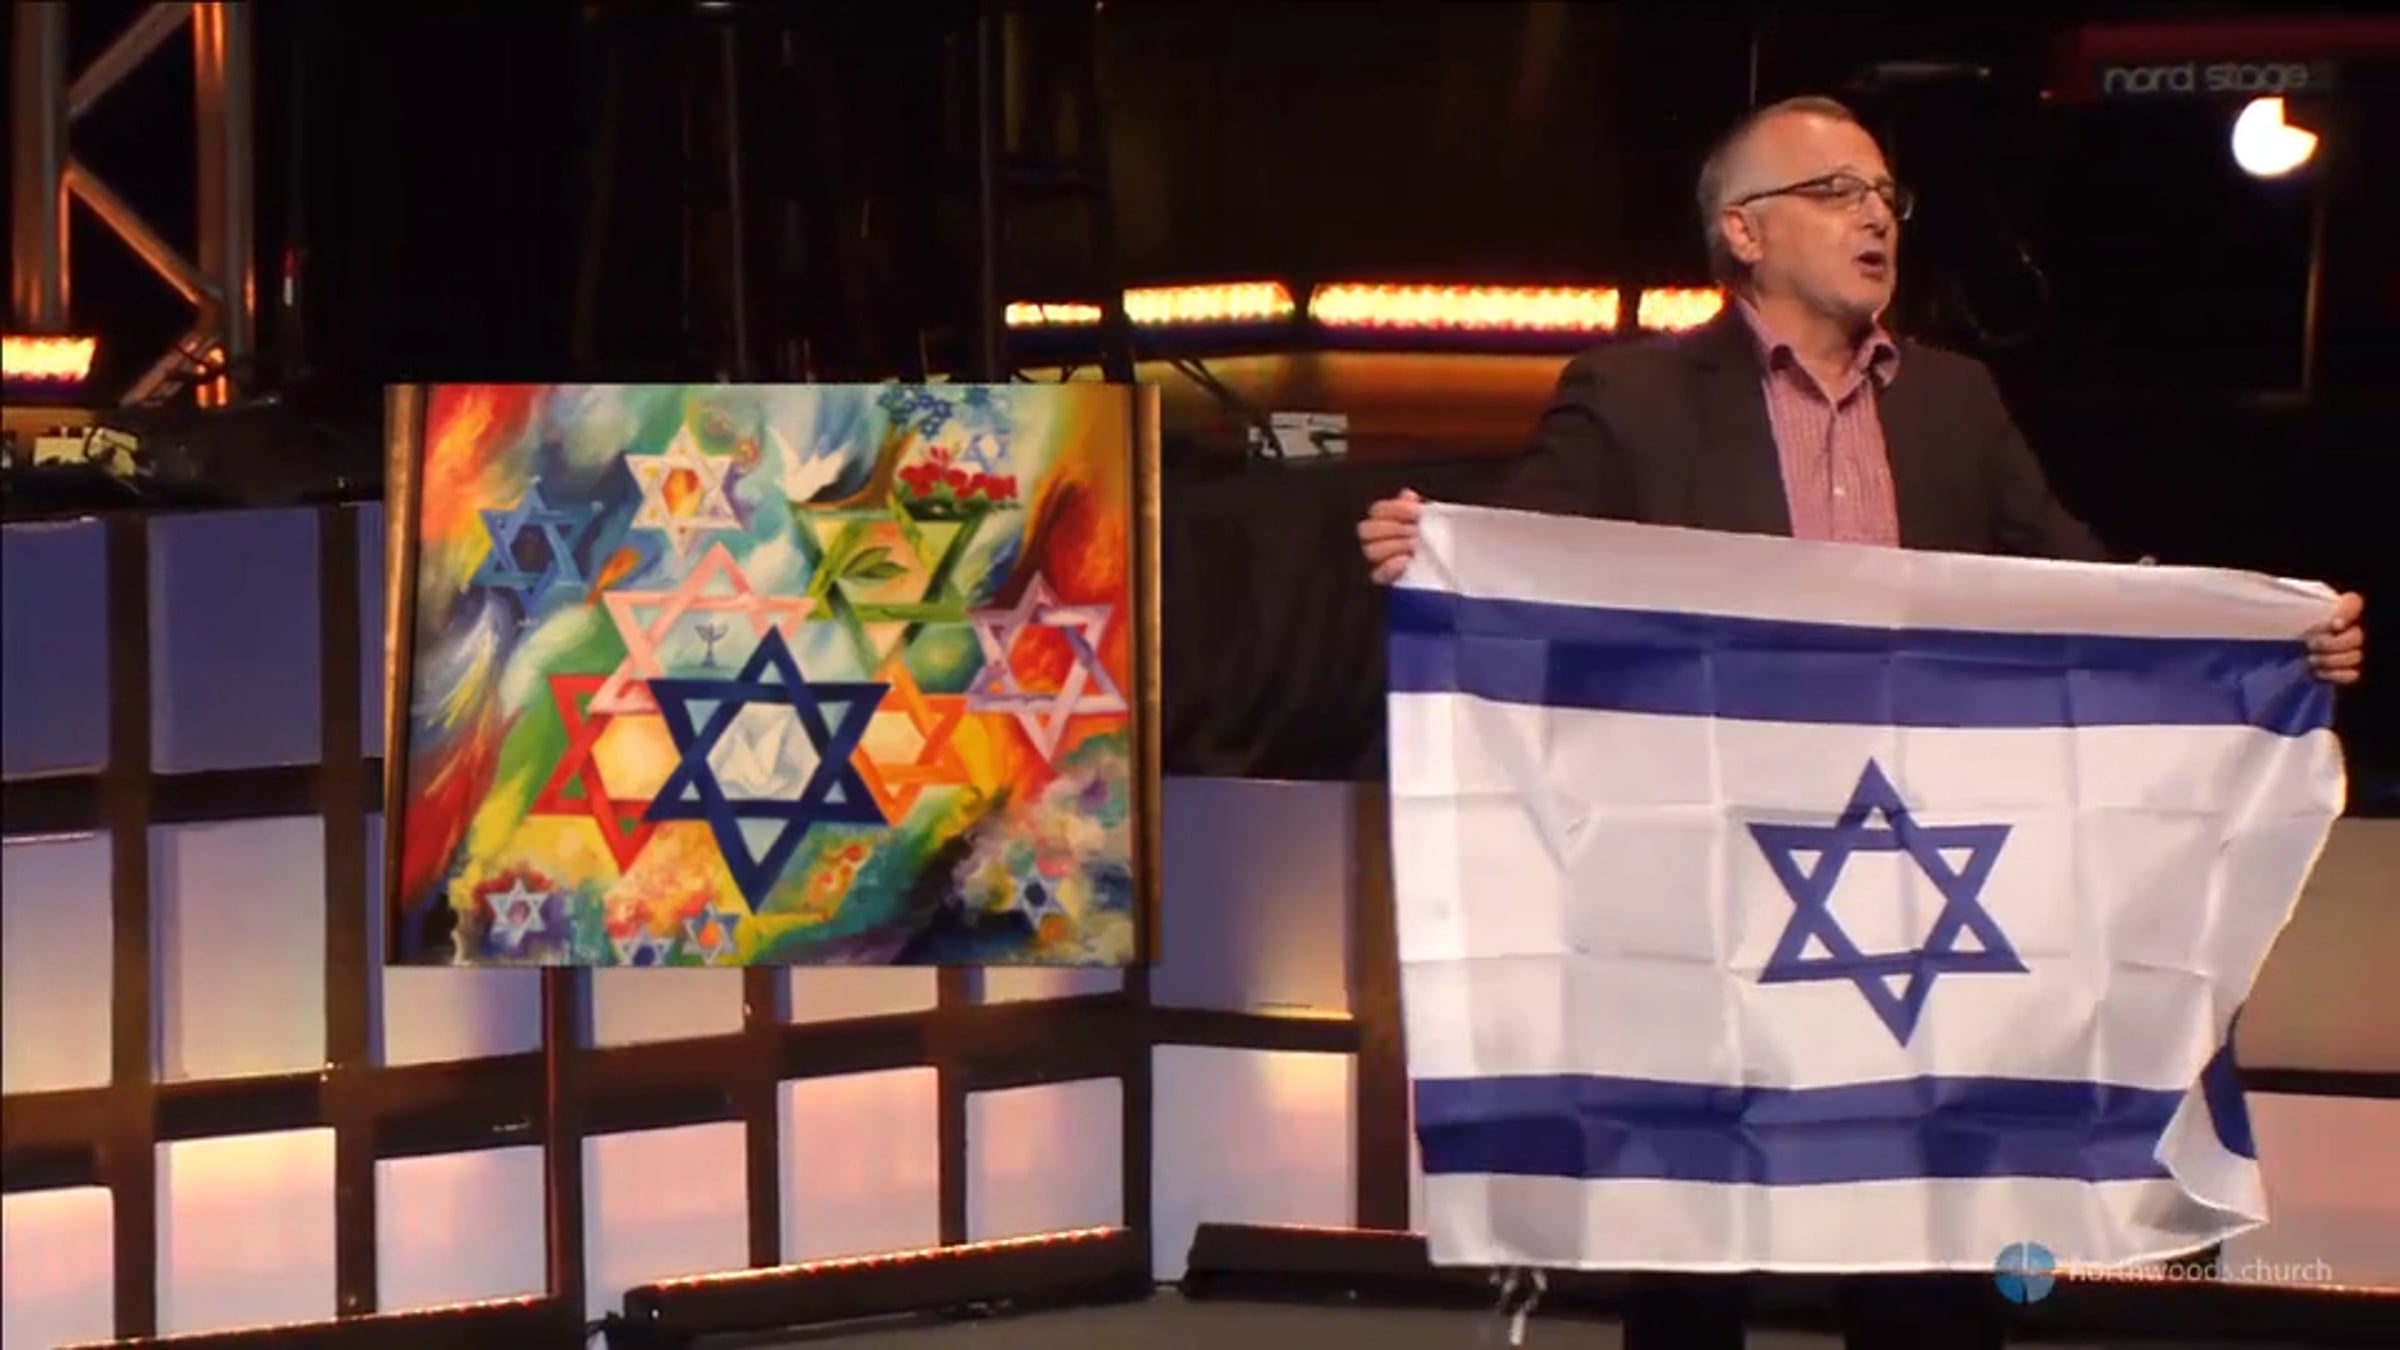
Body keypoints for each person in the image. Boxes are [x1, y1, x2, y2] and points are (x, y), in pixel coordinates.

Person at [1353, 95, 2368, 1350]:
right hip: (1712, 906)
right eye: (1835, 192)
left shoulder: (1954, 403)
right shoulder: (1632, 397)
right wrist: (1435, 554)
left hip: (1917, 899)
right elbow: (1528, 574)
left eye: (1886, 193)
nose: (1875, 215)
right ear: (1744, 232)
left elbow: (2086, 593)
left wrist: (2258, 638)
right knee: (1698, 1263)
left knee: (1926, 1258)